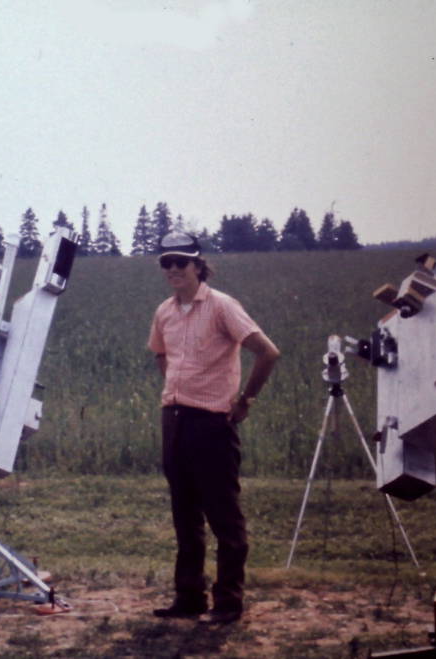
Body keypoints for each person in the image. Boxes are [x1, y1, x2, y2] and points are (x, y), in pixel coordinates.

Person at [147, 231, 280, 624]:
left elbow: (268, 352)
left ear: (198, 265)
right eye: (166, 262)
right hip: (174, 420)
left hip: (212, 424)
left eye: (181, 262)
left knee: (224, 517)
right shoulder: (164, 312)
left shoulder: (222, 306)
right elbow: (160, 353)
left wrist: (246, 401)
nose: (173, 269)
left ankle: (228, 602)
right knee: (185, 516)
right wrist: (176, 386)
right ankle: (189, 598)